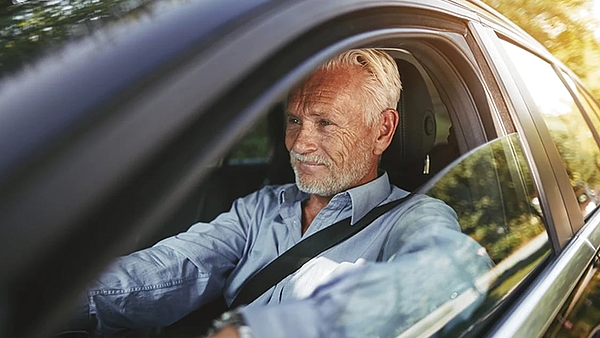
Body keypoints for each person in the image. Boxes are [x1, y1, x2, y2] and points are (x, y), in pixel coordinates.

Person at [77, 48, 492, 337]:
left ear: (382, 130)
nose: (298, 143)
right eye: (294, 120)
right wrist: (60, 302)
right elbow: (177, 265)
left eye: (325, 123)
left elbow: (454, 271)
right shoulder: (263, 206)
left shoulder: (415, 216)